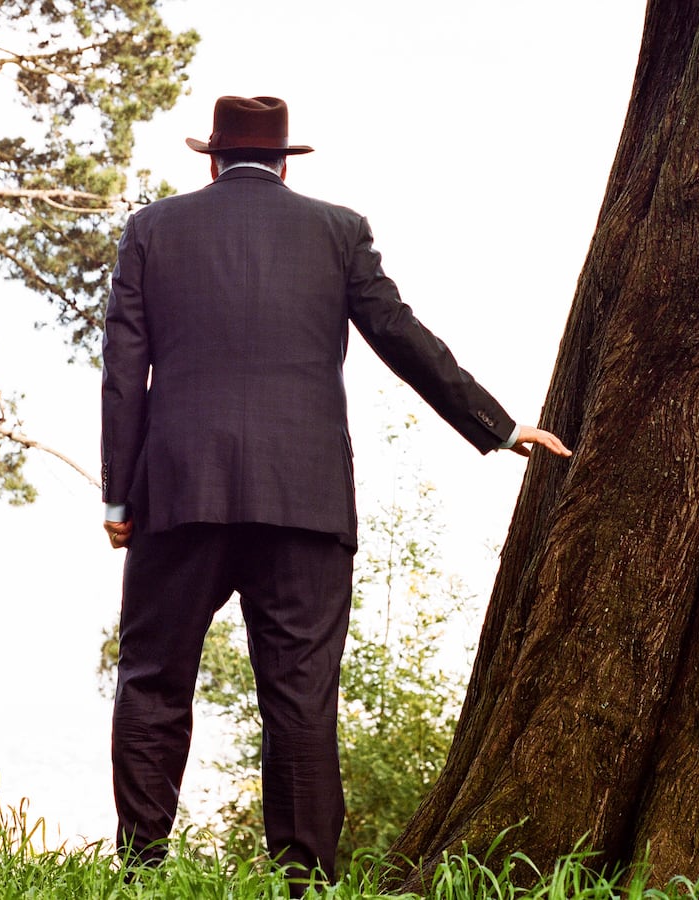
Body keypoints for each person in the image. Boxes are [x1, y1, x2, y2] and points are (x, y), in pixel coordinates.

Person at [100, 95, 568, 891]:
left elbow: (123, 369)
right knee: (302, 698)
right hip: (306, 502)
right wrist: (498, 424)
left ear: (211, 159)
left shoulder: (153, 229)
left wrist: (120, 497)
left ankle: (138, 875)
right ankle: (305, 885)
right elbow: (400, 334)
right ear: (286, 162)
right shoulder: (338, 230)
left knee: (152, 679)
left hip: (180, 493)